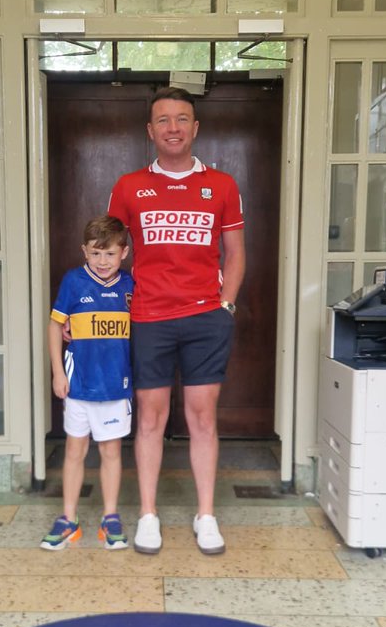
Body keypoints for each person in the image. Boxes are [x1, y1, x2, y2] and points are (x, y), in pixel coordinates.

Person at [108, 86, 245, 556]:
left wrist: (226, 305)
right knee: (149, 417)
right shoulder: (128, 187)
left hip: (206, 317)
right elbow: (107, 254)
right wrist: (91, 306)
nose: (173, 128)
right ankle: (148, 514)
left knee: (203, 418)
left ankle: (206, 515)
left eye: (182, 119)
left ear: (195, 128)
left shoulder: (222, 185)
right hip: (149, 317)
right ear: (150, 131)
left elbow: (236, 252)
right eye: (163, 120)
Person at [40, 214, 134, 551]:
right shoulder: (73, 282)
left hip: (115, 387)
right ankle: (69, 518)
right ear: (84, 252)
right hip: (78, 385)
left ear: (123, 252)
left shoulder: (130, 286)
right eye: (95, 253)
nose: (102, 261)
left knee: (111, 451)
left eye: (110, 253)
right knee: (74, 450)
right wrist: (57, 372)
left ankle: (110, 518)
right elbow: (55, 326)